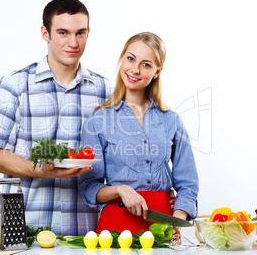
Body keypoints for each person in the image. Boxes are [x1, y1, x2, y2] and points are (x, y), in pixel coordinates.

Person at [0, 0, 111, 236]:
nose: (73, 42)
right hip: (23, 232)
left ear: (88, 32)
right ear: (45, 33)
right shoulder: (15, 85)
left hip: (85, 234)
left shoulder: (105, 91)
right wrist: (39, 169)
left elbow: (118, 160)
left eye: (80, 33)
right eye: (63, 32)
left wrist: (159, 196)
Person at [78, 32, 199, 236]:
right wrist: (120, 190)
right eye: (131, 59)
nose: (134, 69)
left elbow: (188, 183)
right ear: (122, 59)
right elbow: (89, 186)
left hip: (162, 228)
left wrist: (176, 221)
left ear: (157, 72)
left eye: (146, 64)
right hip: (115, 229)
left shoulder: (172, 120)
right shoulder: (97, 121)